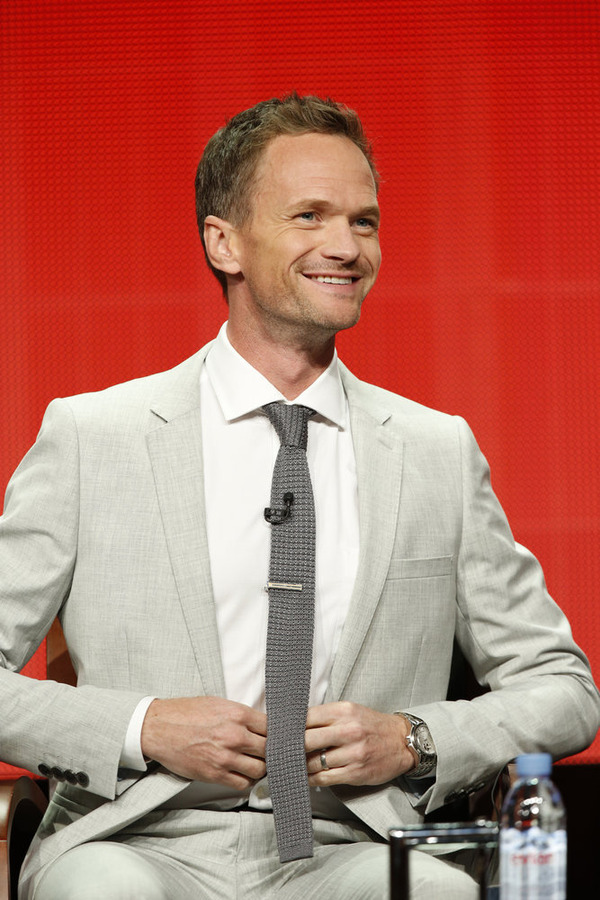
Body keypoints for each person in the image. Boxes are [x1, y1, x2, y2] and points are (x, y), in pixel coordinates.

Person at [1, 93, 598, 900]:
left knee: (440, 896)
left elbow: (563, 689)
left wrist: (416, 738)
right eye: (310, 215)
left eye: (363, 221)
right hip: (139, 838)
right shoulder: (93, 437)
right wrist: (142, 727)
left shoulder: (434, 451)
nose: (346, 247)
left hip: (351, 841)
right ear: (225, 241)